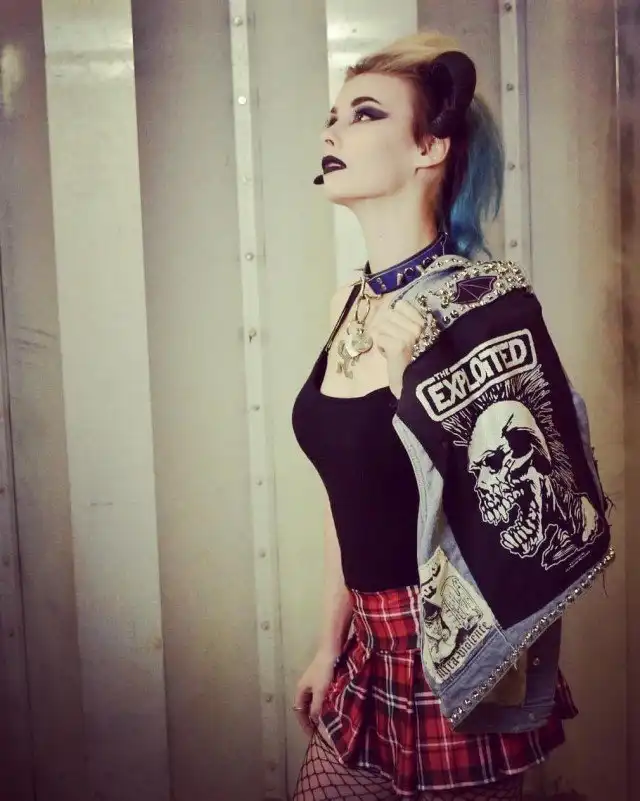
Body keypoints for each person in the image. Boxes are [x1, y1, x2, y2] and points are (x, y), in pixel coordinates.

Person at [290, 30, 611, 801]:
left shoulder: (483, 305)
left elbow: (523, 502)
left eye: (365, 114)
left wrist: (418, 385)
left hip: (459, 648)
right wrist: (329, 642)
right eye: (333, 116)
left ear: (429, 147)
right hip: (370, 645)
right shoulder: (346, 304)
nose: (333, 131)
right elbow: (346, 496)